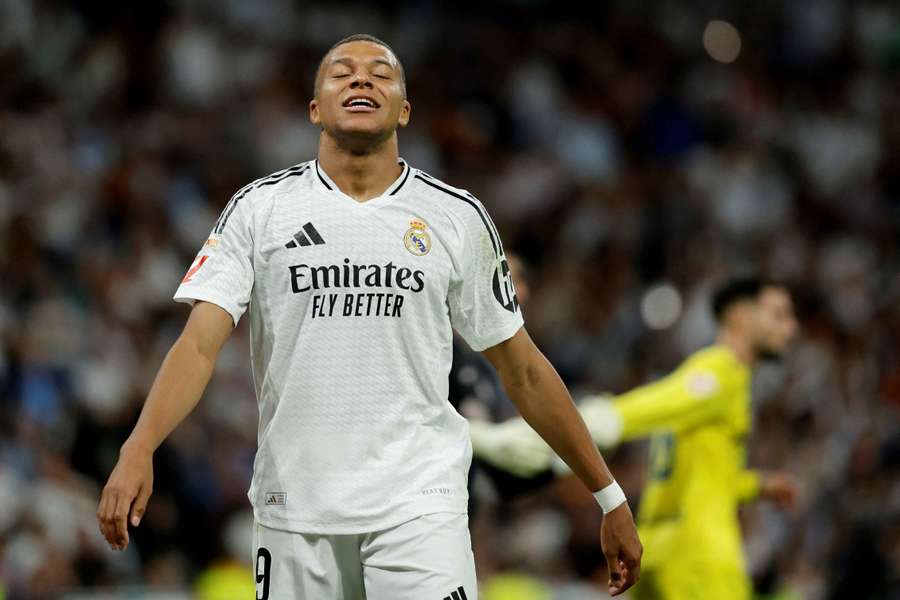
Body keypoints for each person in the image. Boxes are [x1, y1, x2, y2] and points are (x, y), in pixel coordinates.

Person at [95, 34, 641, 599]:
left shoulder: (456, 217)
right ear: (314, 109)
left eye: (381, 73)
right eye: (342, 73)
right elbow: (198, 347)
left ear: (404, 109)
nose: (361, 79)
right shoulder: (260, 209)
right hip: (293, 512)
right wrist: (138, 447)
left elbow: (523, 370)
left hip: (419, 509)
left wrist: (609, 495)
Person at [474, 277, 799, 600]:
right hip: (700, 555)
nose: (790, 328)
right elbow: (647, 407)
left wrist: (759, 485)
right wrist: (584, 424)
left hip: (659, 546)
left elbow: (709, 476)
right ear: (740, 315)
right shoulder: (722, 372)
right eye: (778, 314)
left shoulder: (705, 376)